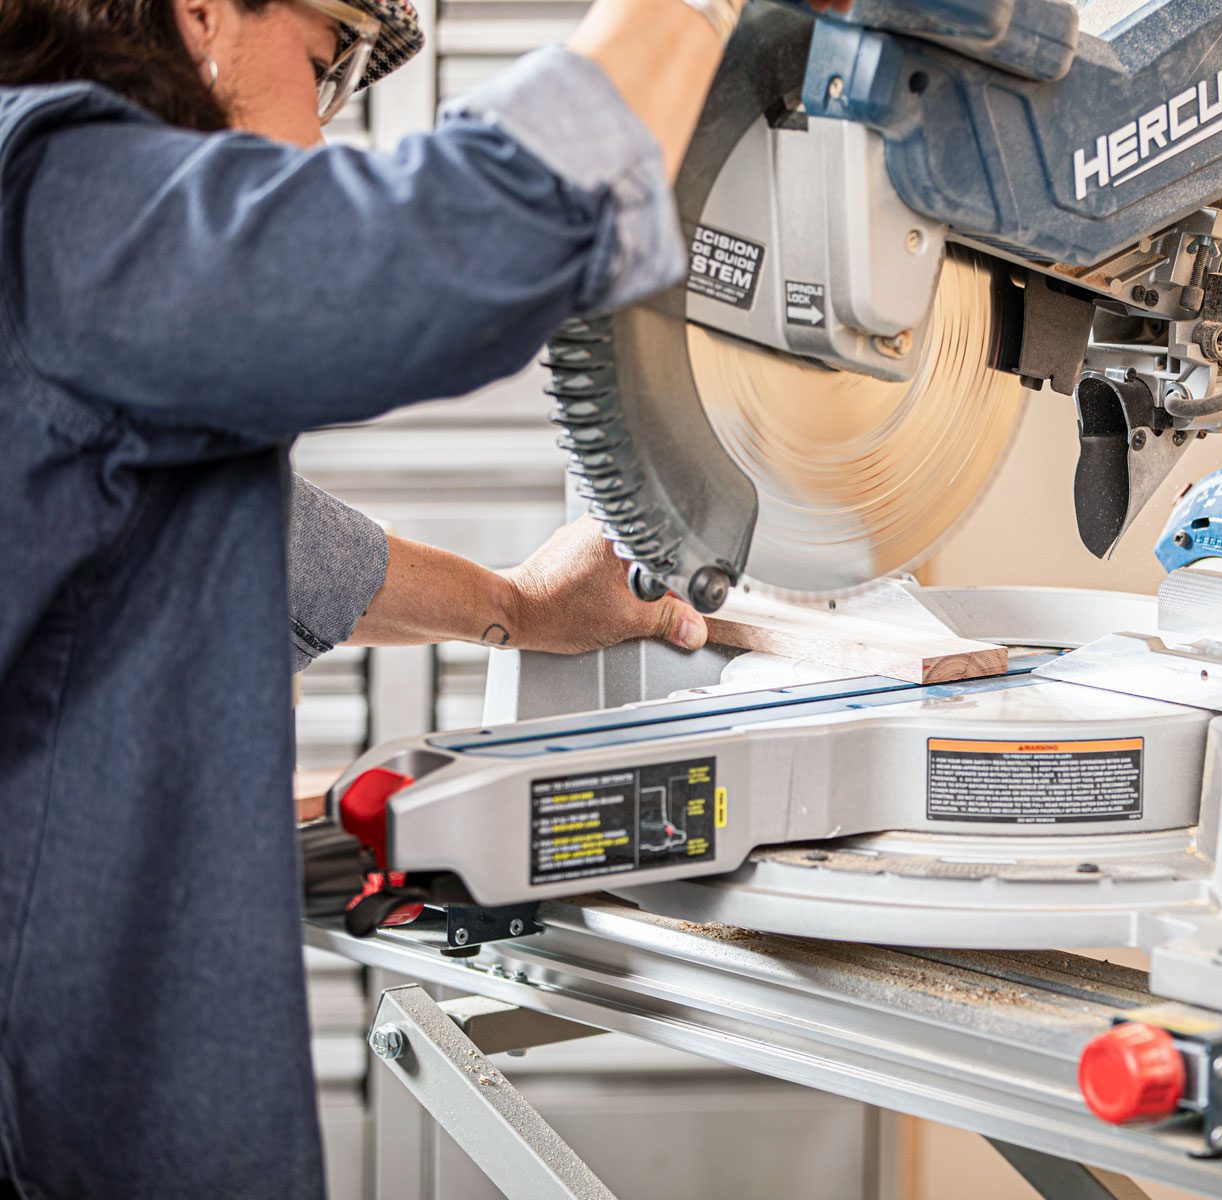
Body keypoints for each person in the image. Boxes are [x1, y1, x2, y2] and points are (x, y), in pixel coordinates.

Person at [0, 0, 773, 1188]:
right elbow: (432, 249)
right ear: (202, 11)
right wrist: (692, 12)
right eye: (323, 66)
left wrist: (509, 600)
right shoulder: (53, 200)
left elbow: (224, 531)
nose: (318, 139)